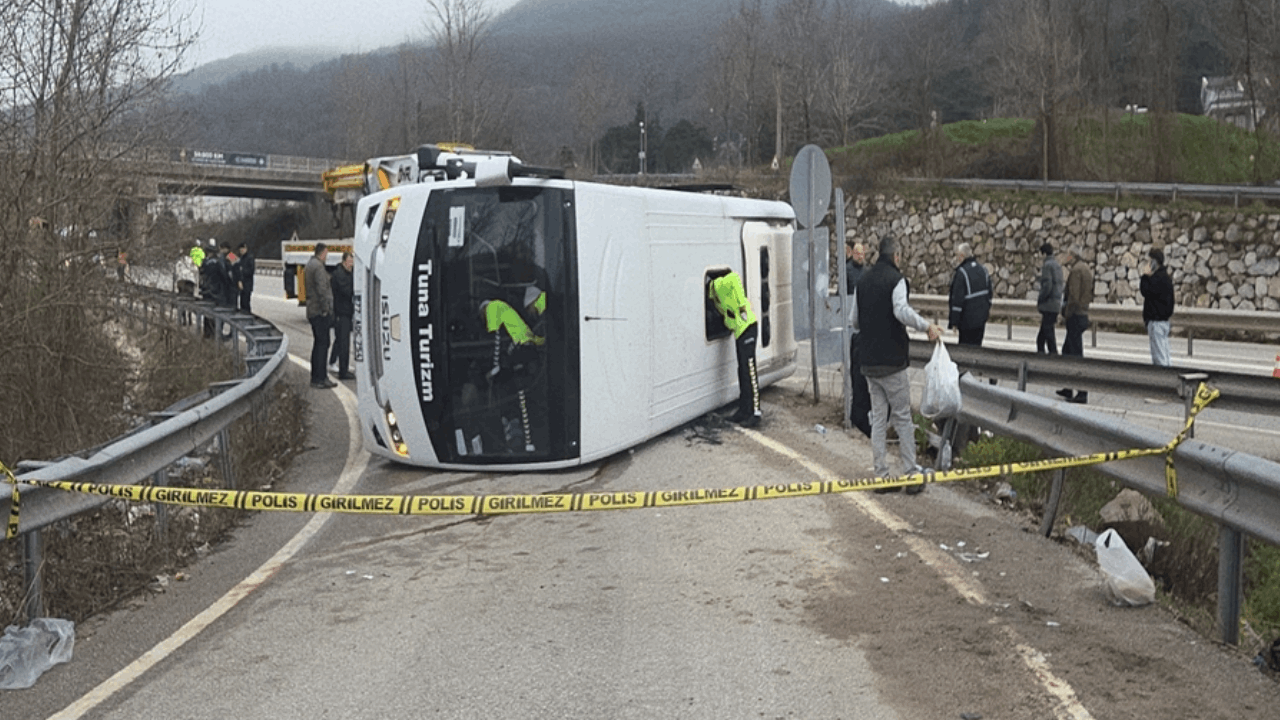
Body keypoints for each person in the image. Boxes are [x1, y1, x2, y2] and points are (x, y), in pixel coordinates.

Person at [851, 235, 943, 491]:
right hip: (892, 361)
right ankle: (911, 474)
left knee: (879, 419)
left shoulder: (863, 281)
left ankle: (881, 476)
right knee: (902, 417)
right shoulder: (897, 280)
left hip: (868, 362)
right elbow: (901, 310)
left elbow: (854, 321)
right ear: (896, 256)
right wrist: (926, 326)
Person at [481, 286, 548, 452]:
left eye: (529, 308)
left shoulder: (492, 309)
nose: (530, 312)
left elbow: (496, 340)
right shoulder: (503, 308)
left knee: (522, 393)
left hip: (523, 349)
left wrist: (494, 368)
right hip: (525, 348)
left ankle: (528, 443)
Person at [709, 271, 762, 428]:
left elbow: (734, 277)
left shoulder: (719, 286)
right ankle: (744, 409)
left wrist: (741, 307)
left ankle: (755, 412)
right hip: (741, 332)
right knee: (743, 371)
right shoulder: (719, 301)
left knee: (749, 371)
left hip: (748, 328)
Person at [1057, 245, 1093, 404]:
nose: (1066, 257)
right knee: (1068, 350)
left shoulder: (1076, 271)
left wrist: (1065, 314)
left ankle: (1081, 391)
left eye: (1067, 254)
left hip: (1076, 316)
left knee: (1075, 354)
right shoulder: (1086, 269)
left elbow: (1074, 296)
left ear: (1072, 256)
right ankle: (1068, 386)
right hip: (1083, 314)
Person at [845, 240, 871, 437]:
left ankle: (863, 414)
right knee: (855, 374)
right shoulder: (847, 271)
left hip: (866, 328)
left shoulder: (868, 273)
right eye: (856, 253)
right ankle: (856, 413)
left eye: (861, 253)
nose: (859, 256)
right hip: (853, 328)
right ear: (852, 253)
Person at [947, 242, 992, 346]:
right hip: (981, 320)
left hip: (966, 322)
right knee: (977, 346)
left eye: (957, 255)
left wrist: (954, 322)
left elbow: (957, 300)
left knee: (965, 350)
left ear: (962, 256)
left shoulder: (961, 273)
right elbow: (989, 295)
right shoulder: (983, 270)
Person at [305, 243, 336, 389]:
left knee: (318, 344)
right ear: (322, 253)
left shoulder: (310, 264)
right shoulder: (318, 267)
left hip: (312, 310)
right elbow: (322, 290)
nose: (327, 257)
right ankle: (321, 378)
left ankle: (315, 377)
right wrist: (326, 310)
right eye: (326, 254)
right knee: (323, 344)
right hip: (319, 311)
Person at [1139, 246, 1175, 367]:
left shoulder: (1156, 279)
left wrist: (1145, 275)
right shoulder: (1166, 278)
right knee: (1165, 354)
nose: (1148, 264)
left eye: (1149, 261)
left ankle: (1164, 382)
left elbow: (1145, 291)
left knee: (1159, 358)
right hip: (1164, 322)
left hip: (1156, 322)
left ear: (1154, 262)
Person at [328, 251, 356, 380]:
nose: (352, 263)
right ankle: (343, 372)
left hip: (346, 312)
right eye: (350, 261)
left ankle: (333, 362)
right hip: (341, 313)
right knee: (344, 343)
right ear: (345, 261)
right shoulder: (340, 275)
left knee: (340, 340)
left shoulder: (347, 273)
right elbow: (347, 291)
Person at [1035, 243, 1064, 355]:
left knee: (1048, 334)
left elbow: (1047, 285)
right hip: (1056, 303)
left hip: (1048, 304)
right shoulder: (1057, 265)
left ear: (1043, 254)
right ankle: (1046, 357)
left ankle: (1053, 357)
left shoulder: (1047, 266)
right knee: (1042, 337)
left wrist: (1040, 299)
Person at [234, 242, 256, 313]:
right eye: (240, 250)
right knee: (242, 302)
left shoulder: (250, 258)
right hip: (241, 284)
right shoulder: (240, 258)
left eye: (243, 249)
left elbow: (251, 270)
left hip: (247, 284)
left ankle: (247, 317)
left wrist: (242, 270)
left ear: (246, 249)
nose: (241, 251)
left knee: (246, 302)